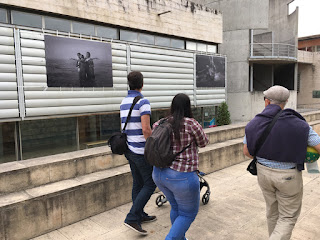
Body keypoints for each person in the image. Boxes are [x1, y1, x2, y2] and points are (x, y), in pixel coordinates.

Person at [243, 85, 320, 240]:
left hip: (263, 174)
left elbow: (247, 152)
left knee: (272, 212)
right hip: (288, 177)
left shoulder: (254, 123)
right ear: (285, 102)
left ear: (266, 102)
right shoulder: (300, 124)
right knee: (287, 217)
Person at [152, 93, 209, 240]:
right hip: (182, 177)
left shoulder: (160, 123)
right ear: (187, 106)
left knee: (176, 207)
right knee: (187, 213)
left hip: (159, 174)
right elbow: (203, 142)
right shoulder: (191, 124)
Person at [120, 71, 157, 235]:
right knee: (150, 183)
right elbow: (146, 129)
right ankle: (132, 217)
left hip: (129, 150)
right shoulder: (143, 102)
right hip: (141, 151)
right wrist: (152, 146)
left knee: (138, 183)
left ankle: (139, 214)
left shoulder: (124, 102)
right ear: (142, 84)